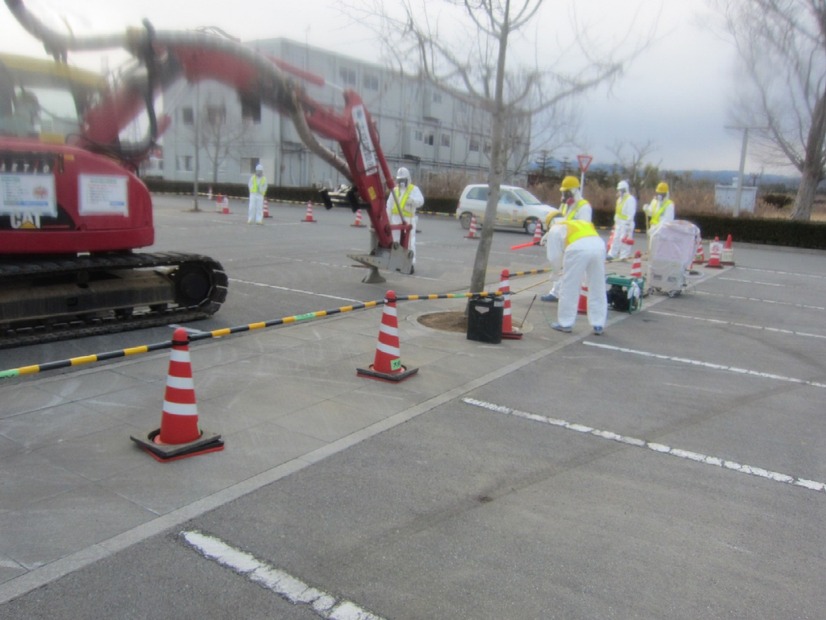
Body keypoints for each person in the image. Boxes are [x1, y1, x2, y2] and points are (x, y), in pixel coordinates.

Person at [541, 219, 607, 335]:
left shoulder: (554, 230)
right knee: (597, 286)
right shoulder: (575, 223)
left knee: (569, 287)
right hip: (599, 247)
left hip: (577, 250)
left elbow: (554, 257)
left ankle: (565, 323)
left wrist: (555, 274)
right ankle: (598, 323)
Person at [541, 175, 592, 302]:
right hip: (564, 243)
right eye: (563, 192)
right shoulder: (564, 206)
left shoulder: (584, 207)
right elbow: (558, 222)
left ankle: (575, 296)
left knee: (575, 271)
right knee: (560, 267)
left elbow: (582, 228)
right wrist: (549, 235)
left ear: (573, 191)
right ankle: (556, 293)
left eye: (566, 192)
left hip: (577, 244)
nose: (564, 195)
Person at [386, 166, 424, 269]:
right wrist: (387, 220)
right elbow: (389, 205)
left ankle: (410, 262)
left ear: (408, 179)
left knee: (410, 242)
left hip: (409, 220)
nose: (401, 182)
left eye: (403, 180)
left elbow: (421, 201)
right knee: (395, 241)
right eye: (400, 180)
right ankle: (396, 262)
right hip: (395, 220)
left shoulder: (413, 189)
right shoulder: (395, 190)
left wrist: (412, 201)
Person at [607, 180, 638, 261]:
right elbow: (618, 211)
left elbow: (631, 213)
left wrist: (627, 224)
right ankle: (612, 254)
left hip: (626, 224)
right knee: (616, 238)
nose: (620, 192)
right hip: (619, 223)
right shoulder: (619, 200)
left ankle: (623, 256)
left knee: (625, 241)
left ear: (625, 189)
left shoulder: (630, 199)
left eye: (621, 190)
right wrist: (616, 221)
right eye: (619, 190)